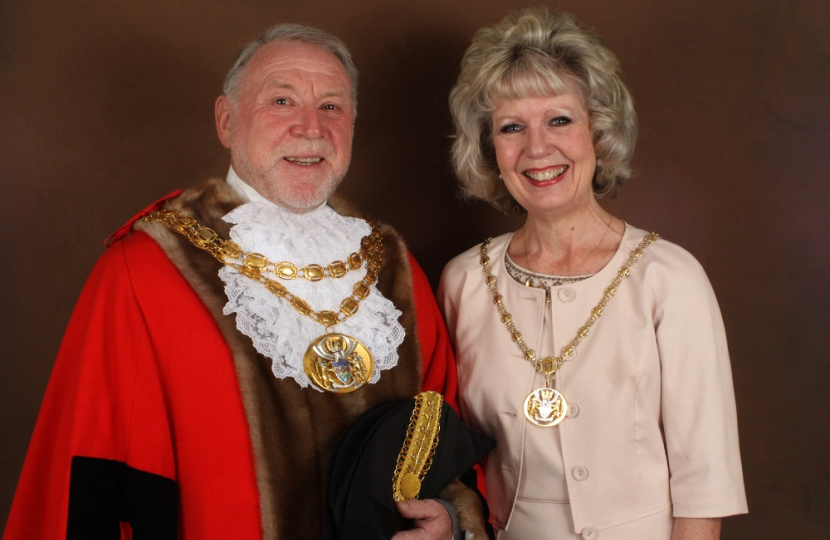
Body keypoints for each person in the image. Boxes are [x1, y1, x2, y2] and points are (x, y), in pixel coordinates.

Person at [4, 24, 478, 540]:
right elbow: (94, 476)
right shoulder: (142, 273)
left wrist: (451, 517)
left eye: (332, 107)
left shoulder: (395, 268)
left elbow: (442, 435)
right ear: (227, 122)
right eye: (281, 101)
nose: (311, 128)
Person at [438, 9, 748, 540]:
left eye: (559, 120)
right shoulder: (463, 282)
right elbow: (452, 460)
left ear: (598, 133)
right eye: (512, 127)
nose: (538, 148)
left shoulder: (669, 278)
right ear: (490, 150)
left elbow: (704, 489)